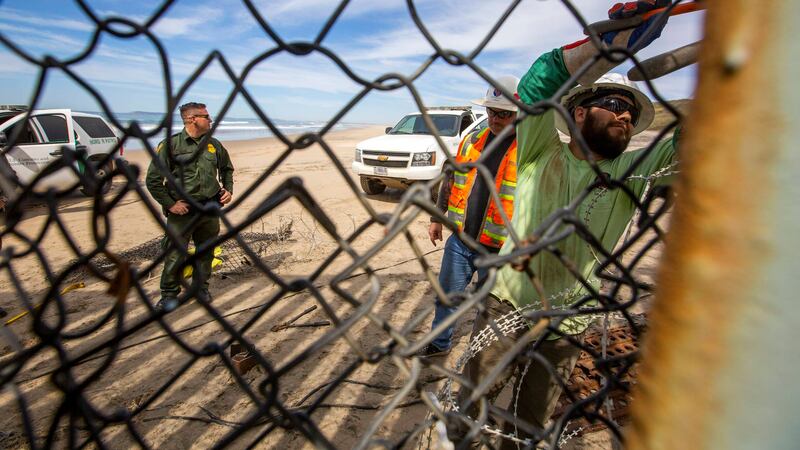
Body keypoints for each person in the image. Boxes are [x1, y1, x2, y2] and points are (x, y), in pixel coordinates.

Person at [452, 0, 677, 446]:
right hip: (508, 303)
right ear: (578, 112)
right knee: (471, 403)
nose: (625, 116)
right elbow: (536, 84)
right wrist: (602, 48)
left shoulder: (632, 170)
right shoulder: (540, 150)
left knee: (529, 420)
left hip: (569, 322)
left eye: (631, 113)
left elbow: (697, 141)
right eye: (613, 104)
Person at [420, 76, 520, 357]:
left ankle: (480, 355)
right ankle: (439, 344)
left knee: (490, 307)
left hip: (499, 247)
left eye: (503, 113)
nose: (494, 118)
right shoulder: (472, 139)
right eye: (490, 111)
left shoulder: (527, 149)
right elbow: (451, 179)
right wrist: (437, 218)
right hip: (461, 240)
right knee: (447, 297)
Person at [146, 102, 234, 310]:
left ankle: (200, 288)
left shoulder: (214, 145)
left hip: (209, 208)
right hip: (183, 211)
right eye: (206, 116)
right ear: (192, 119)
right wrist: (170, 204)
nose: (210, 120)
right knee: (175, 253)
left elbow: (227, 169)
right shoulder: (171, 145)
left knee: (206, 251)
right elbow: (153, 180)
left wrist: (228, 189)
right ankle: (169, 294)